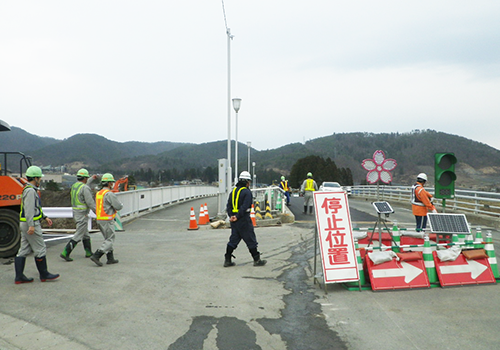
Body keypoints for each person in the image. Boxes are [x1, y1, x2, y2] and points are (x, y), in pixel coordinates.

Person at [14, 165, 59, 284]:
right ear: (35, 178)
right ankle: (44, 274)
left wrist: (44, 217)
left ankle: (19, 277)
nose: (40, 180)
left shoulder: (28, 189)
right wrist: (32, 225)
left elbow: (35, 208)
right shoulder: (30, 191)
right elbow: (29, 210)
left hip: (24, 223)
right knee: (40, 248)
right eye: (39, 178)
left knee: (23, 249)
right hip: (30, 223)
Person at [224, 171, 267, 267]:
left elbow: (228, 206)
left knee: (233, 240)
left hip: (234, 220)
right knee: (250, 240)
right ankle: (257, 260)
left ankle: (227, 259)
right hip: (243, 219)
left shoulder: (233, 192)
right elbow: (245, 206)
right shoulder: (247, 192)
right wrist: (238, 216)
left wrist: (232, 216)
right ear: (247, 182)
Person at [60, 168, 96, 261]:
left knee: (85, 234)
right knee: (79, 234)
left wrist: (92, 178)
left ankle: (88, 252)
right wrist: (98, 212)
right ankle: (66, 252)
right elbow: (90, 202)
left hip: (75, 213)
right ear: (85, 178)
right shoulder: (85, 188)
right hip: (82, 213)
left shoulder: (75, 186)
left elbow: (85, 186)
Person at [90, 173, 123, 266]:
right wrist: (121, 205)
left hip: (100, 219)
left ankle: (110, 258)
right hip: (107, 219)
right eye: (111, 182)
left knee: (107, 238)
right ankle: (97, 255)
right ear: (109, 183)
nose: (112, 184)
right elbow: (118, 206)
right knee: (110, 239)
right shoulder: (109, 194)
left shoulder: (99, 193)